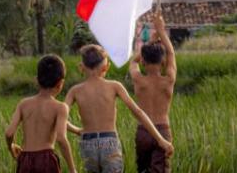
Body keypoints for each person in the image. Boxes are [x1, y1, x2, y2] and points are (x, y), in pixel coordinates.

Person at [65, 44, 173, 173]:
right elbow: (138, 112)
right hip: (109, 142)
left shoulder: (75, 91)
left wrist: (77, 130)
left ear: (81, 68)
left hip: (88, 143)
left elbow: (60, 118)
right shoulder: (114, 86)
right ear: (106, 67)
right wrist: (160, 139)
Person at [5, 54, 77, 173]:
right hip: (46, 160)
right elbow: (61, 138)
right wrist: (72, 169)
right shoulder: (60, 107)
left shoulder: (23, 104)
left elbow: (9, 133)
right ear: (60, 84)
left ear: (36, 80)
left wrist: (11, 147)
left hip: (25, 159)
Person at [130, 12, 176, 173]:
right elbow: (171, 53)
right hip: (162, 130)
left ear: (143, 60)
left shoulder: (138, 79)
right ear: (162, 61)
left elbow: (133, 61)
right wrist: (161, 31)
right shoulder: (168, 80)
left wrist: (150, 39)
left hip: (143, 130)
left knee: (142, 170)